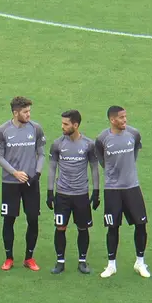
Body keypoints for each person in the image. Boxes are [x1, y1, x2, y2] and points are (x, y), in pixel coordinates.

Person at [95, 106, 149, 278]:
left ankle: (140, 262)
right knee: (113, 227)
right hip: (112, 189)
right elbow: (102, 160)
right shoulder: (102, 139)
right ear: (112, 120)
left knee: (141, 224)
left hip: (132, 187)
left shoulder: (134, 134)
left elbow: (135, 152)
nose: (125, 120)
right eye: (121, 117)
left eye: (125, 116)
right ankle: (111, 265)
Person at [0, 96, 46, 271]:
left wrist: (37, 173)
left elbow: (41, 153)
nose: (28, 114)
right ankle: (9, 258)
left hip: (31, 182)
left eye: (29, 111)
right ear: (15, 113)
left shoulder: (36, 128)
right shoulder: (3, 130)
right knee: (9, 219)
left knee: (33, 219)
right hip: (10, 183)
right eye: (25, 112)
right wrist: (15, 173)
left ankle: (29, 258)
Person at [46, 109, 100, 274]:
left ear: (75, 125)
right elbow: (52, 168)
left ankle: (82, 261)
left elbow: (94, 168)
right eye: (62, 123)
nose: (62, 126)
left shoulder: (89, 145)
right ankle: (60, 261)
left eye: (66, 124)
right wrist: (50, 192)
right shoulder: (57, 144)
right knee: (60, 228)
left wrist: (96, 191)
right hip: (62, 195)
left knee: (83, 228)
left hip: (81, 195)